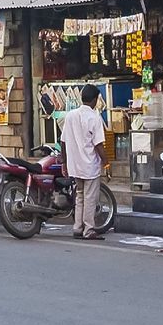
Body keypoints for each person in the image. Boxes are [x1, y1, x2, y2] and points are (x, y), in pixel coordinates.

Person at [60, 84, 107, 240]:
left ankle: (77, 227)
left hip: (75, 164)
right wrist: (106, 162)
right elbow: (98, 144)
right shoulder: (94, 117)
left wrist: (64, 163)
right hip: (89, 164)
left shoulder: (70, 115)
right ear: (94, 100)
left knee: (80, 196)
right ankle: (88, 229)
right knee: (90, 197)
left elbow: (63, 141)